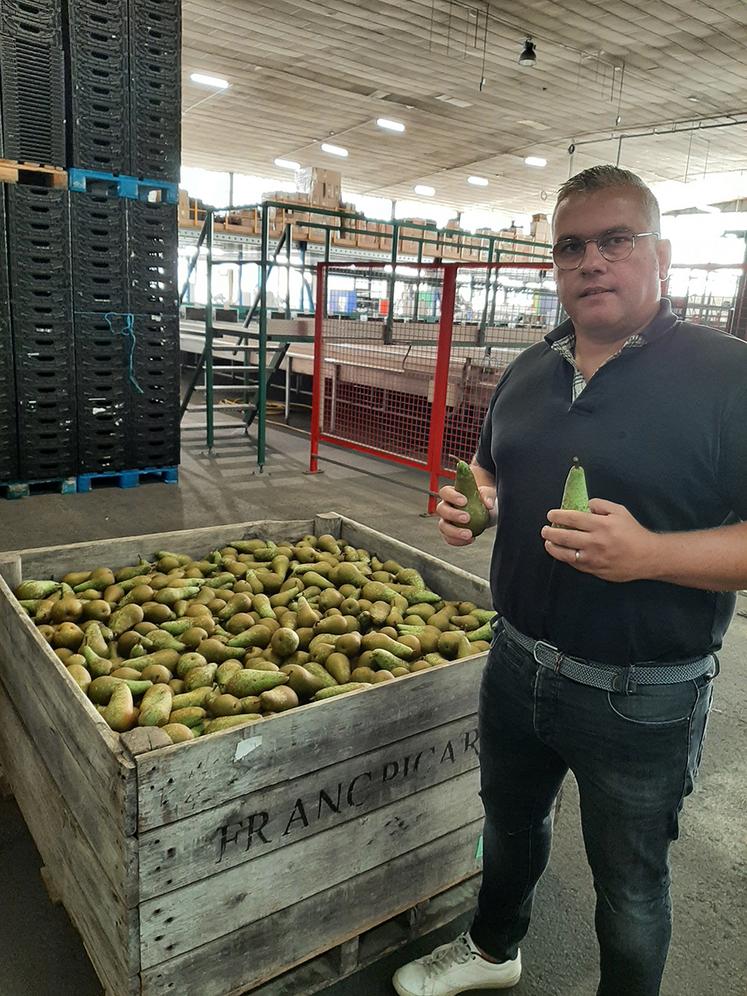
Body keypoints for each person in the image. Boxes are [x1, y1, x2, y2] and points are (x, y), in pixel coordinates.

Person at [392, 164, 747, 996]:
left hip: (642, 691)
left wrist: (649, 555)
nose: (591, 260)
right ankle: (492, 950)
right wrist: (475, 504)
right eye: (570, 247)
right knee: (508, 829)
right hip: (515, 661)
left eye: (614, 240)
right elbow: (491, 473)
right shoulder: (528, 368)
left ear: (658, 252)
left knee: (628, 886)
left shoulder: (727, 375)